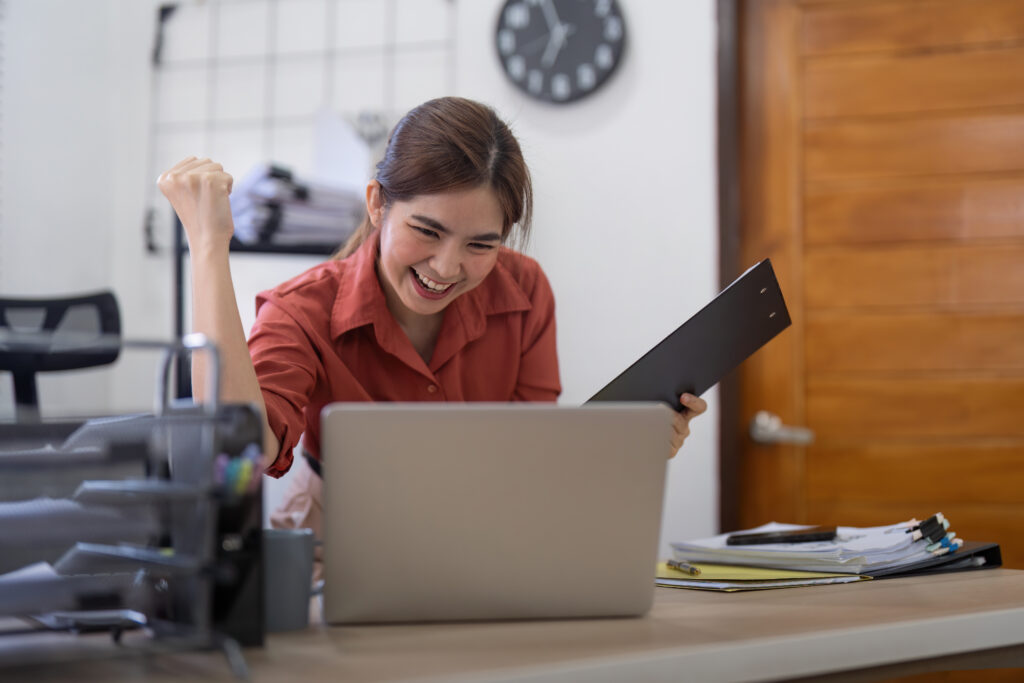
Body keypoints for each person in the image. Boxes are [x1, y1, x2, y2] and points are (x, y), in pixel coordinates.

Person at [157, 96, 706, 542]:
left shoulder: (525, 288)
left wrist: (628, 445)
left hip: (483, 538)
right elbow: (237, 451)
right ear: (376, 204)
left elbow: (529, 458)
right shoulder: (301, 310)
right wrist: (209, 245)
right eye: (427, 231)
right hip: (336, 545)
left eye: (480, 244)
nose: (447, 268)